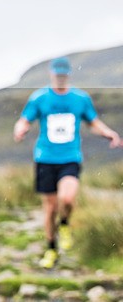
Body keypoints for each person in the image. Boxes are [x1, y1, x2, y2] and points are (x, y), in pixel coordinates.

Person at [13, 56, 121, 269]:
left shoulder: (80, 99)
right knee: (50, 208)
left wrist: (108, 133)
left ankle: (64, 224)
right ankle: (52, 248)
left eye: (64, 75)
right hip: (45, 159)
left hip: (70, 158)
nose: (60, 79)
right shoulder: (39, 98)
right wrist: (20, 128)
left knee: (67, 199)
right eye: (57, 75)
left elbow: (93, 122)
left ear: (68, 75)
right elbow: (25, 118)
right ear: (52, 75)